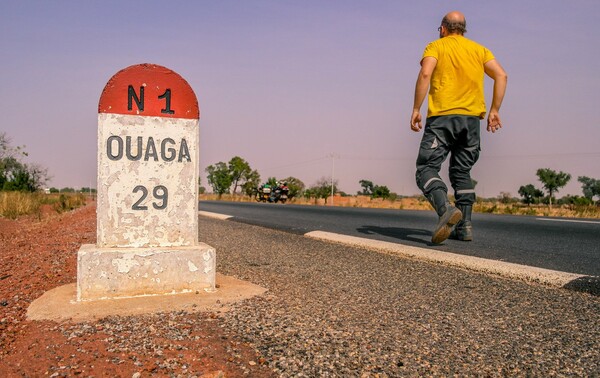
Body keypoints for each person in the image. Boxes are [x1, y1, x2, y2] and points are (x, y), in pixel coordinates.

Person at [410, 11, 507, 244]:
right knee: (461, 172)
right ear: (463, 29)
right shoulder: (479, 50)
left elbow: (425, 73)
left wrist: (416, 108)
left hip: (443, 118)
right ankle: (464, 227)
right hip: (472, 120)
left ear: (443, 28)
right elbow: (501, 75)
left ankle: (445, 209)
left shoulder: (436, 46)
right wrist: (495, 110)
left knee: (425, 167)